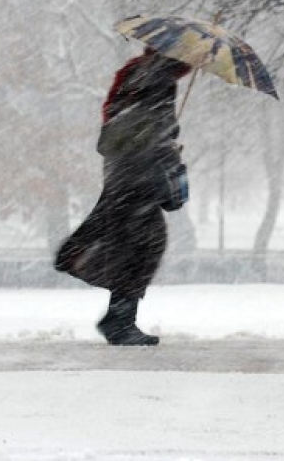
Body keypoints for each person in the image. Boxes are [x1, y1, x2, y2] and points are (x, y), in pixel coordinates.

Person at [55, 48, 192, 345]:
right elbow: (152, 127)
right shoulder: (160, 78)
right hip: (138, 174)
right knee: (144, 246)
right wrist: (168, 146)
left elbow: (125, 122)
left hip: (123, 171)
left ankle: (117, 317)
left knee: (131, 244)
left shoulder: (138, 72)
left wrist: (164, 139)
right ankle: (118, 319)